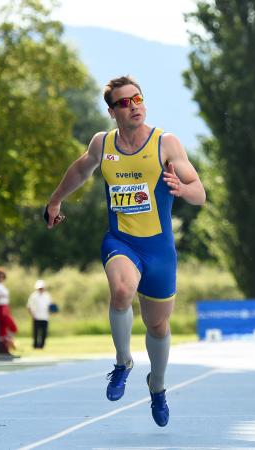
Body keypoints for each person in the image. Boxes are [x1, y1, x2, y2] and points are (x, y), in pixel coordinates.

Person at [44, 75, 205, 427]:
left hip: (159, 250)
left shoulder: (166, 142)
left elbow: (200, 192)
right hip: (122, 242)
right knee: (120, 291)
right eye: (124, 102)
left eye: (138, 99)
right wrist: (56, 199)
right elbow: (81, 169)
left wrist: (181, 188)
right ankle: (122, 362)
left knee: (158, 325)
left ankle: (157, 387)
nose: (134, 106)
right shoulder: (103, 144)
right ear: (111, 111)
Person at [0, 268, 17, 355]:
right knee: (11, 327)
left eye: (2, 276)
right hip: (1, 307)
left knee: (4, 330)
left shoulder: (2, 286)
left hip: (6, 306)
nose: (1, 278)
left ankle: (6, 347)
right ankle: (5, 347)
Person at [26, 279, 51, 349]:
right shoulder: (33, 296)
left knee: (44, 333)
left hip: (45, 317)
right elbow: (29, 306)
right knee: (36, 333)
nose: (41, 289)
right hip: (36, 317)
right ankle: (35, 345)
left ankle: (42, 346)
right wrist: (32, 315)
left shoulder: (47, 295)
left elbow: (50, 306)